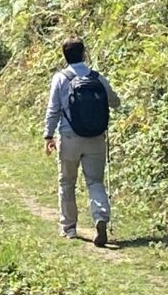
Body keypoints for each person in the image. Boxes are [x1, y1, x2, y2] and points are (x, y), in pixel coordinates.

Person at [41, 38, 119, 247]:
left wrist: (48, 136)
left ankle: (69, 228)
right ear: (84, 54)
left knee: (67, 182)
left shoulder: (60, 78)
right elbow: (115, 102)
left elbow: (53, 109)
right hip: (95, 138)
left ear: (65, 56)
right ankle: (100, 218)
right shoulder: (97, 77)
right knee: (95, 181)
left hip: (69, 138)